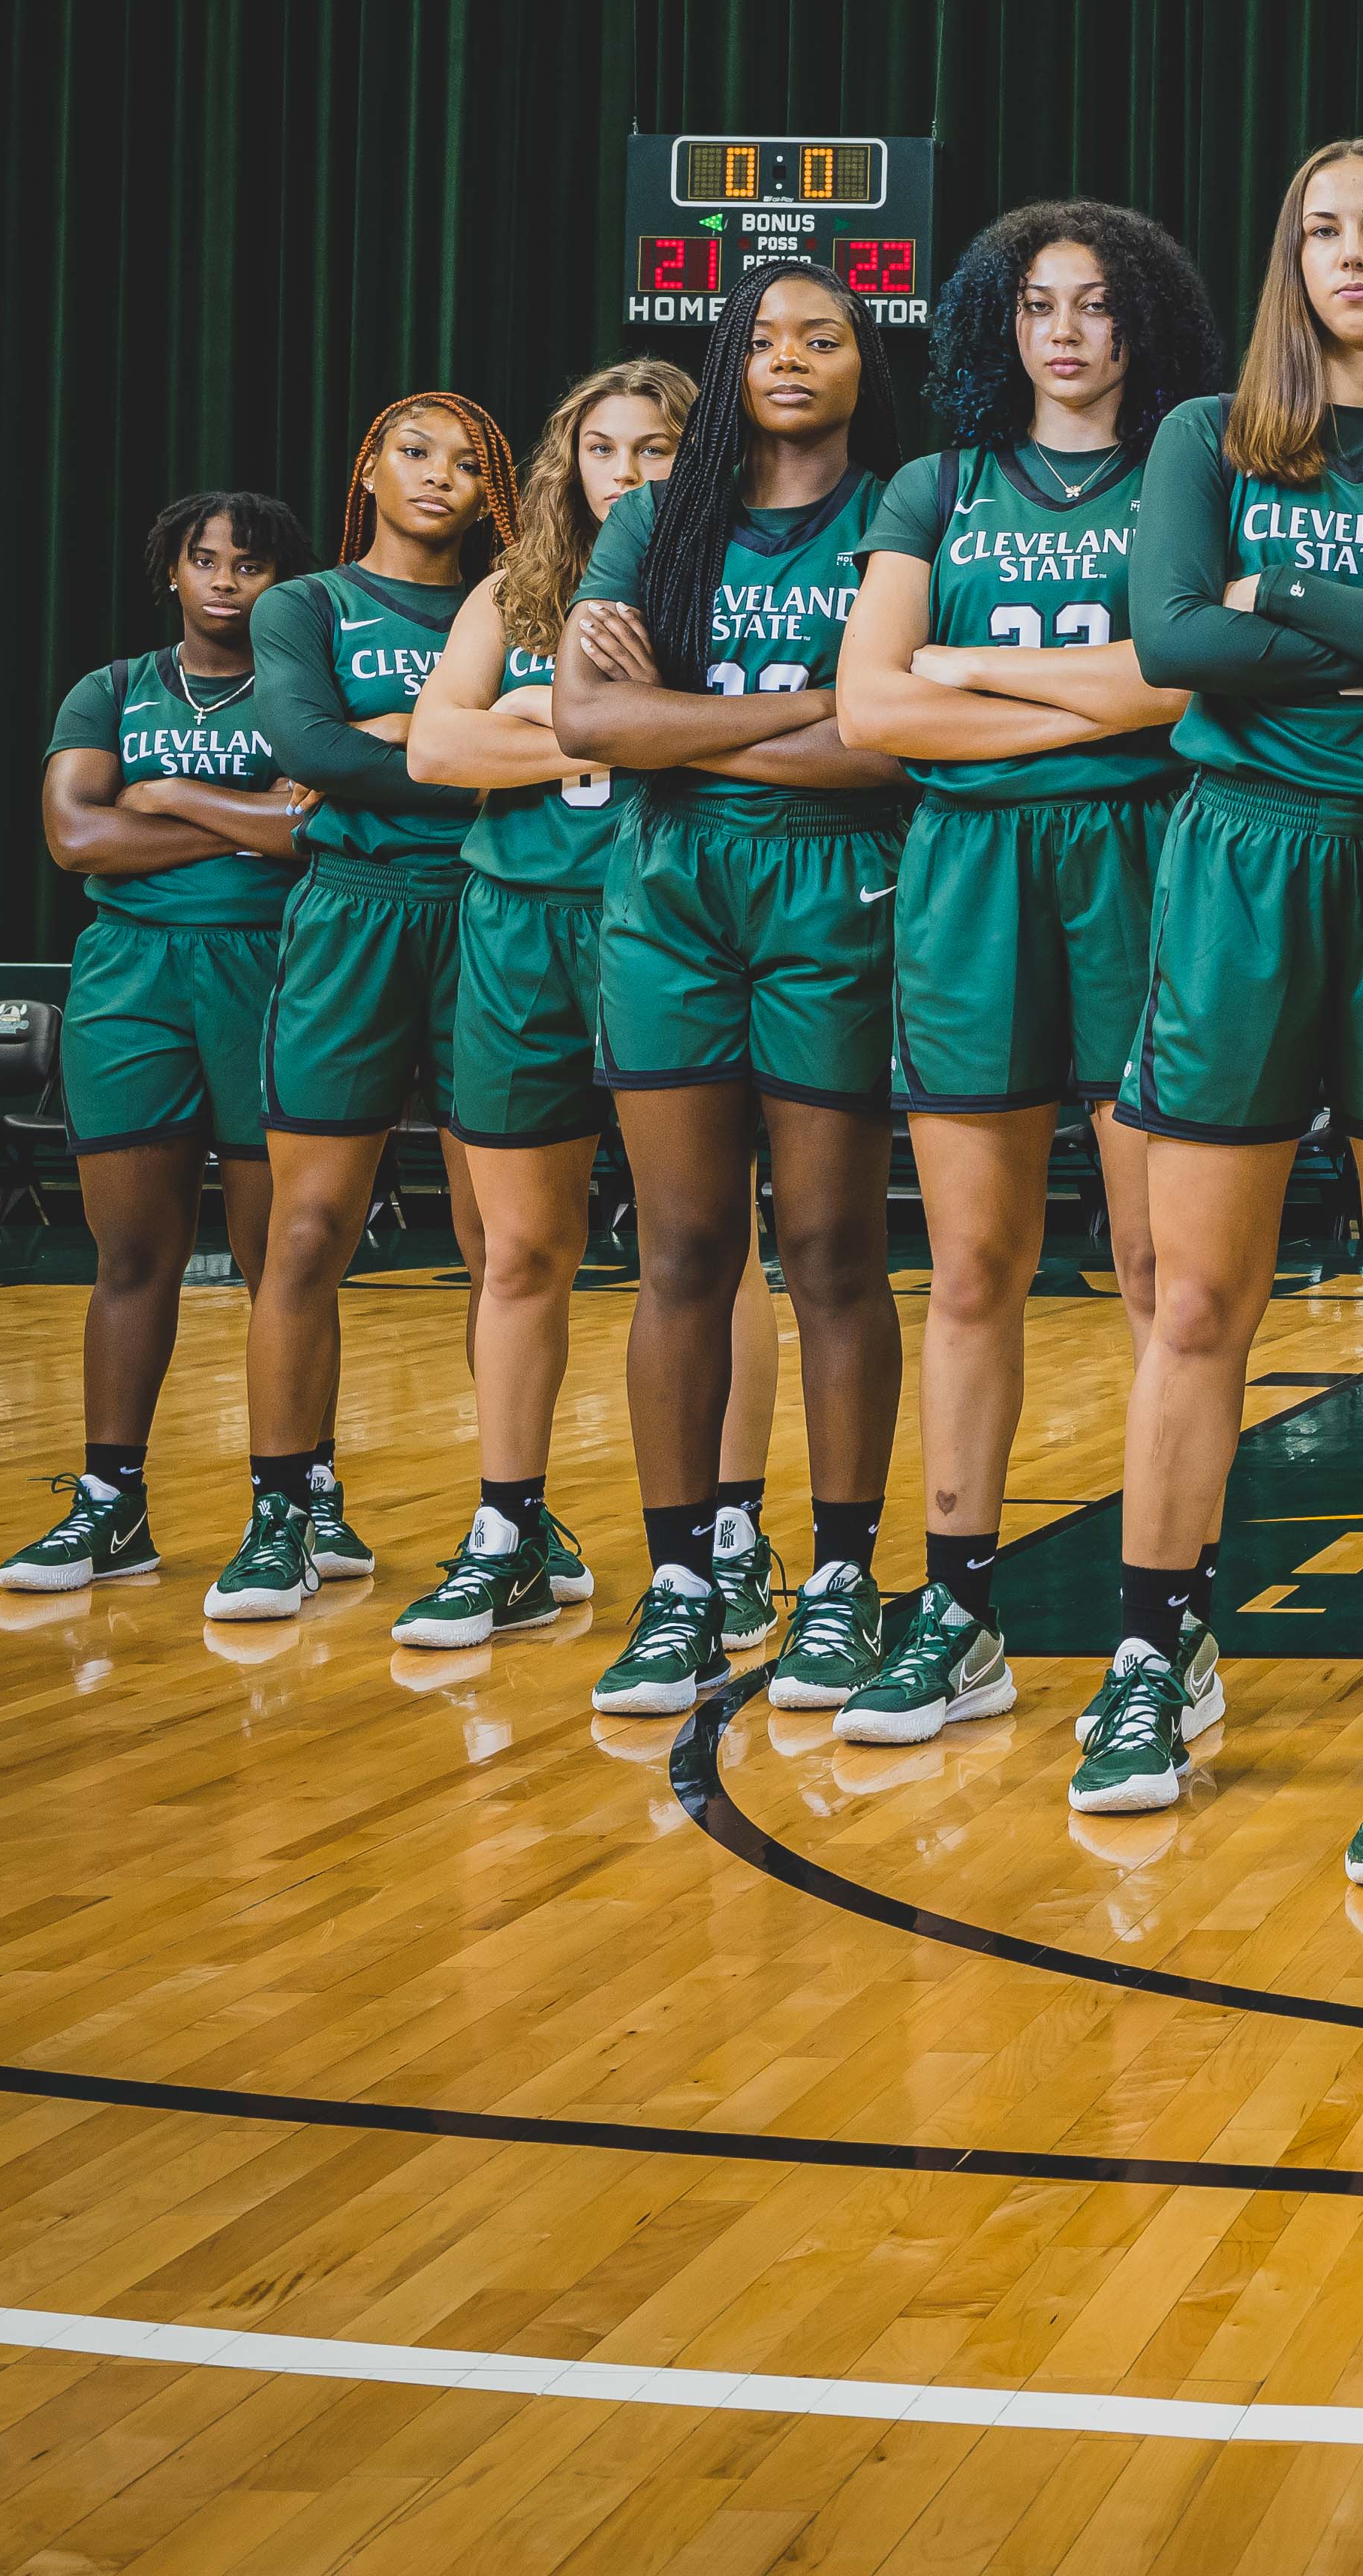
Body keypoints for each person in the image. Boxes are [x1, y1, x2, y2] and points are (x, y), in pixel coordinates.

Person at [1079, 141, 1363, 1816]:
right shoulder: (1204, 437)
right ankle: (1153, 1646)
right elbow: (1176, 640)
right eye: (1321, 227)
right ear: (1285, 261)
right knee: (1198, 1295)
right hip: (1245, 860)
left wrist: (1287, 592)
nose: (1352, 253)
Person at [829, 204, 1226, 1745]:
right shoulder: (937, 488)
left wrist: (973, 671)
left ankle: (1168, 1623)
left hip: (1146, 867)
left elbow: (1187, 681)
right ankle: (960, 1610)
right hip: (970, 881)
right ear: (997, 323)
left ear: (1144, 324)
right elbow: (870, 708)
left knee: (1156, 1273)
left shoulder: (1183, 469)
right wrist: (1104, 707)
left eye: (1099, 304)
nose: (1066, 330)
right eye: (1038, 304)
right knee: (977, 1265)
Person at [558, 260, 919, 1716]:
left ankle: (838, 1577)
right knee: (684, 1251)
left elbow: (897, 740)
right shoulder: (655, 519)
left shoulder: (904, 511)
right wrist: (803, 706)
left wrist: (684, 726)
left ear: (858, 358)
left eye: (819, 335)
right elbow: (588, 719)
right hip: (672, 909)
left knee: (831, 1247)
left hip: (839, 897)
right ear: (729, 357)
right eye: (763, 336)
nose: (788, 356)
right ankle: (686, 1581)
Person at [396, 359, 780, 1649]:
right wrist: (600, 721)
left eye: (658, 449)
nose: (628, 473)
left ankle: (732, 1528)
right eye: (604, 449)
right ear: (573, 466)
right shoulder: (520, 592)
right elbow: (437, 747)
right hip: (518, 925)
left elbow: (756, 734)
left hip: (669, 912)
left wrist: (581, 718)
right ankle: (508, 1527)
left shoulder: (736, 590)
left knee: (707, 1247)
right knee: (519, 1249)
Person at [220, 395, 513, 1622]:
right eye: (413, 452)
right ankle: (286, 1509)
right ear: (369, 470)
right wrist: (463, 741)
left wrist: (390, 732)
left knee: (500, 1242)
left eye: (465, 461)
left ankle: (511, 1519)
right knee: (307, 1228)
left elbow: (571, 749)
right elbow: (302, 745)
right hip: (351, 911)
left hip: (496, 910)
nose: (438, 476)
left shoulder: (520, 604)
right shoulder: (309, 604)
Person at [0, 490, 313, 1592]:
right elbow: (74, 832)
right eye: (205, 560)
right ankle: (110, 1505)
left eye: (252, 563)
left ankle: (295, 1504)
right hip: (130, 981)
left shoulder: (302, 689)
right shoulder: (112, 689)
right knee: (133, 1256)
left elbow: (313, 829)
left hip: (273, 973)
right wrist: (240, 816)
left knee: (286, 1263)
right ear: (170, 572)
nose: (226, 580)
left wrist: (167, 796)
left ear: (285, 580)